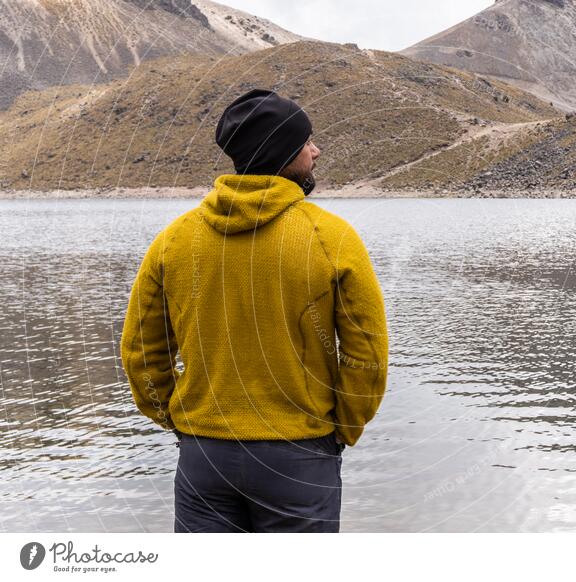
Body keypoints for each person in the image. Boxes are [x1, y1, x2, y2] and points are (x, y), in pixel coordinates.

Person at [120, 89, 389, 533]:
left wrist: (175, 419)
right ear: (284, 153)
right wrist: (344, 425)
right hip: (300, 453)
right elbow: (367, 352)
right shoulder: (331, 238)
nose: (316, 151)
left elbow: (141, 352)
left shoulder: (174, 240)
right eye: (306, 143)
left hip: (204, 454)